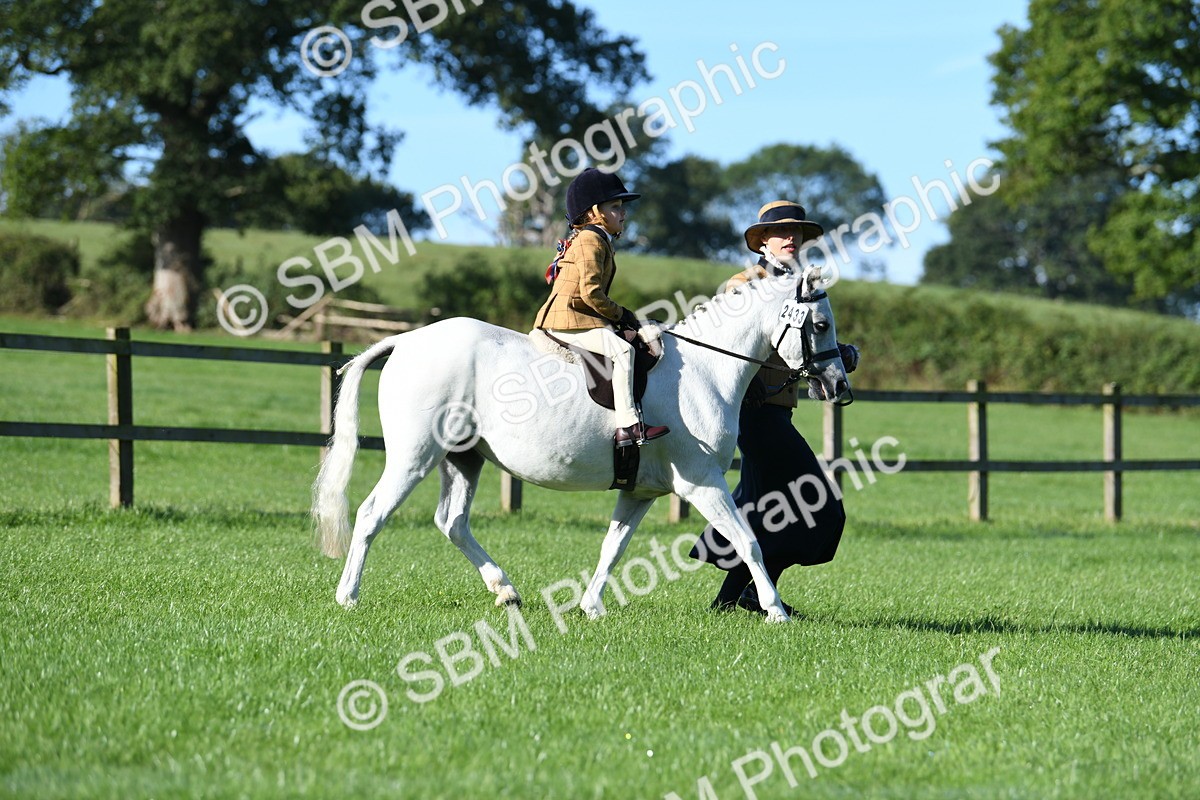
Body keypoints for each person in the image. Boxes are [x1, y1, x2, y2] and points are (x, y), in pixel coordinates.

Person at [689, 200, 860, 615]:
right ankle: (745, 596)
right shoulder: (743, 285)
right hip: (751, 412)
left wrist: (836, 353)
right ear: (761, 240)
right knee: (819, 503)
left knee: (765, 508)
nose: (791, 238)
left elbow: (803, 345)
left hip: (778, 411)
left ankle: (732, 600)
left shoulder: (804, 284)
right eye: (781, 231)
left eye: (797, 232)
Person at [534, 167, 669, 447]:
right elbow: (591, 294)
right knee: (623, 351)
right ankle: (628, 426)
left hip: (577, 316)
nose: (623, 213)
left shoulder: (595, 239)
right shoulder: (591, 240)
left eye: (622, 207)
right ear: (595, 212)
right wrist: (624, 316)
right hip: (569, 320)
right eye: (616, 207)